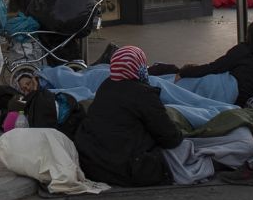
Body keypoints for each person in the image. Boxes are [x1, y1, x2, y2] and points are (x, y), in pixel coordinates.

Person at [73, 45, 183, 187]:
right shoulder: (143, 94)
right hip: (129, 170)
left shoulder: (106, 86)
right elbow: (170, 138)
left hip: (94, 166)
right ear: (139, 67)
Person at [170, 21, 253, 107]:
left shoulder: (244, 49)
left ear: (249, 35)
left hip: (236, 95)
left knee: (201, 83)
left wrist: (186, 71)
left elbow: (215, 67)